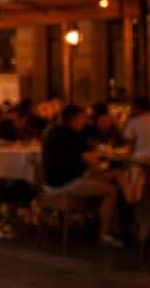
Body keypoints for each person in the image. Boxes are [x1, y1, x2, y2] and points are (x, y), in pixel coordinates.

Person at [40, 104, 123, 248]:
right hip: (66, 183)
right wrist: (101, 161)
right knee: (111, 190)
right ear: (75, 119)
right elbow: (90, 160)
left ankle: (116, 224)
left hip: (51, 182)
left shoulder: (53, 132)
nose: (86, 121)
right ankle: (104, 234)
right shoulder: (73, 135)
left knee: (114, 175)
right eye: (83, 118)